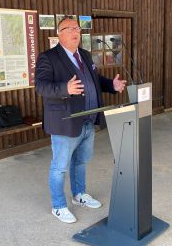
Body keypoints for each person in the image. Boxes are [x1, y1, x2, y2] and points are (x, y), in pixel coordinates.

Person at [35, 16, 126, 223]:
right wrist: (64, 89)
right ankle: (58, 206)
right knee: (60, 167)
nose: (76, 32)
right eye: (70, 28)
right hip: (65, 122)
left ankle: (79, 195)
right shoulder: (48, 57)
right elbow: (40, 86)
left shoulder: (84, 54)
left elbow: (94, 80)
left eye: (77, 28)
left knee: (81, 162)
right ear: (59, 33)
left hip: (87, 120)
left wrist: (111, 85)